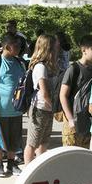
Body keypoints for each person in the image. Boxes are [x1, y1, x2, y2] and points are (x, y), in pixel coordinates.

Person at [0, 33, 26, 178]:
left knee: (14, 138)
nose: (20, 48)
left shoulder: (19, 62)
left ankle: (11, 162)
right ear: (8, 46)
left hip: (15, 109)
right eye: (17, 46)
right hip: (0, 109)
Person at [25, 34, 60, 166]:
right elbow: (44, 93)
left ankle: (40, 166)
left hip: (46, 108)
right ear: (48, 48)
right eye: (55, 47)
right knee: (32, 143)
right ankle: (28, 170)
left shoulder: (49, 66)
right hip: (39, 108)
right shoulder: (40, 67)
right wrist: (55, 108)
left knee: (44, 142)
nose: (57, 50)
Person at [59, 35, 92, 149]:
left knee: (85, 155)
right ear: (84, 50)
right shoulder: (74, 69)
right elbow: (63, 95)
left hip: (88, 121)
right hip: (73, 120)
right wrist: (70, 118)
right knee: (71, 155)